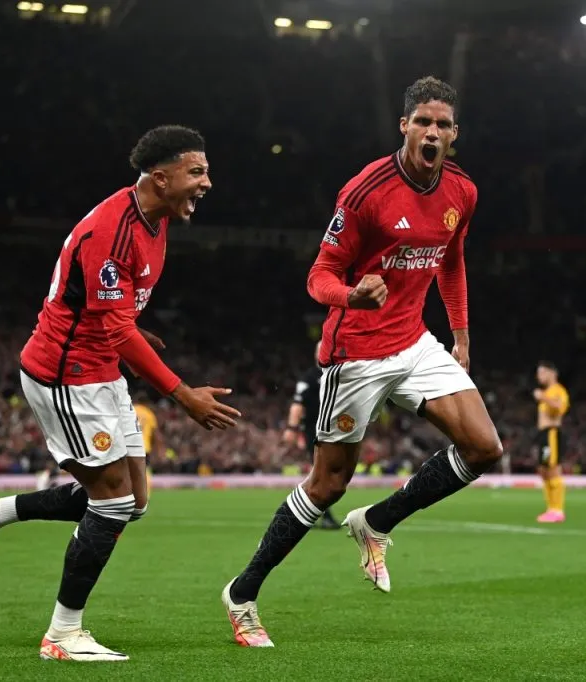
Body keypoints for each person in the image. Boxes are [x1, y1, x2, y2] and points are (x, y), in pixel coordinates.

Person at [221, 76, 503, 648]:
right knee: (328, 483)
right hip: (355, 352)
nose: (431, 132)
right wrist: (352, 295)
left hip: (416, 340)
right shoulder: (365, 192)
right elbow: (317, 276)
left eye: (442, 124)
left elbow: (451, 262)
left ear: (455, 135)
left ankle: (377, 522)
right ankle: (243, 592)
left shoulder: (462, 192)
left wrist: (462, 335)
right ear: (404, 126)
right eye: (421, 121)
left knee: (484, 447)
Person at [0, 125, 242, 662]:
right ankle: (62, 634)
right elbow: (112, 326)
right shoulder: (112, 230)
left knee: (134, 502)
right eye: (197, 172)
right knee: (111, 501)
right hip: (65, 372)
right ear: (161, 176)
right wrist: (182, 394)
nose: (207, 182)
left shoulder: (155, 220)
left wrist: (133, 326)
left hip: (101, 366)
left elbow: (114, 313)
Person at [283, 341, 340, 529]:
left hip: (336, 432)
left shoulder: (340, 373)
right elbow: (297, 404)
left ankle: (304, 512)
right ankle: (324, 515)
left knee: (328, 475)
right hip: (315, 432)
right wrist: (292, 428)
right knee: (323, 474)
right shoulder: (309, 378)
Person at [533, 361, 569, 523]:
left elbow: (560, 408)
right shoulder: (548, 391)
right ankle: (550, 508)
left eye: (542, 373)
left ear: (551, 373)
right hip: (543, 434)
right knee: (543, 470)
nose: (538, 376)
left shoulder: (558, 391)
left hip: (551, 433)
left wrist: (544, 397)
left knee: (553, 470)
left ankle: (557, 510)